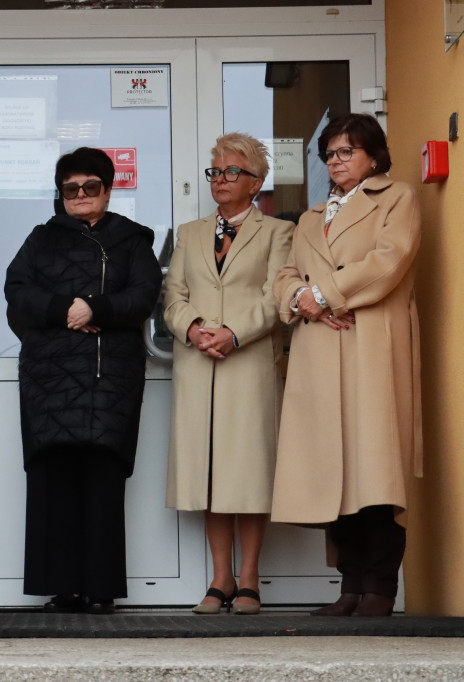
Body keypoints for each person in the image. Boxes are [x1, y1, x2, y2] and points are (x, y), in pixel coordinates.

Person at [271, 113, 422, 617]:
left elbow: (389, 259)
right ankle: (351, 587)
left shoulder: (396, 197)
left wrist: (322, 294)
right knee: (331, 473)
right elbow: (285, 276)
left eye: (346, 152)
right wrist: (299, 297)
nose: (336, 162)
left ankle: (380, 589)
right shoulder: (312, 216)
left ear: (373, 155)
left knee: (374, 470)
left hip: (368, 345)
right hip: (318, 351)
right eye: (330, 154)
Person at [4, 147, 162, 615]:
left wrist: (96, 308)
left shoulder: (133, 239)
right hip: (49, 377)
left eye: (90, 187)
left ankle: (100, 590)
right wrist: (65, 310)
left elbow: (144, 295)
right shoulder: (41, 239)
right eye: (70, 189)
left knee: (103, 480)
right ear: (61, 194)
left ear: (108, 190)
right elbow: (17, 291)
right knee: (54, 481)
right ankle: (62, 589)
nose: (80, 195)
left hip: (109, 375)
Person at [163, 134, 293, 615]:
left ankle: (250, 578)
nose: (220, 180)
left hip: (249, 363)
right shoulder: (190, 232)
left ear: (256, 181)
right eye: (214, 172)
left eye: (231, 172)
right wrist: (193, 327)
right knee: (210, 473)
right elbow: (172, 293)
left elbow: (276, 296)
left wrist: (234, 333)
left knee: (249, 470)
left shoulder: (279, 232)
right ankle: (219, 579)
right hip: (198, 365)